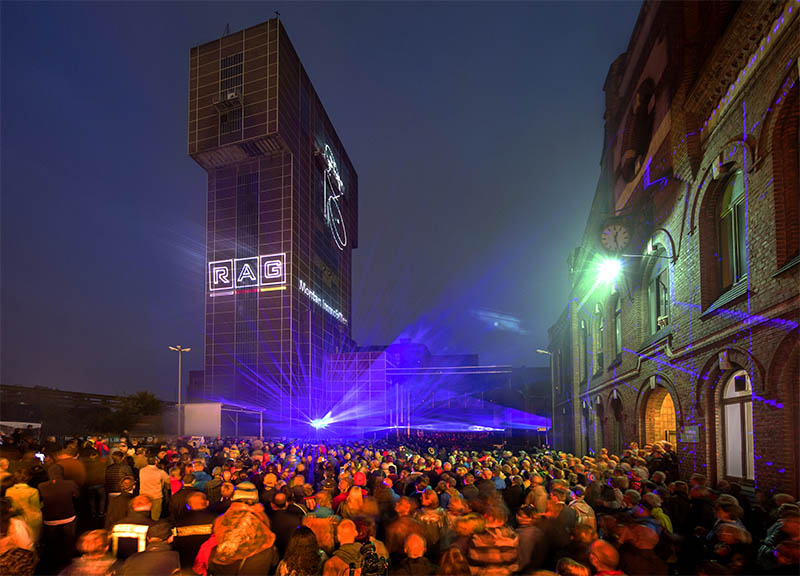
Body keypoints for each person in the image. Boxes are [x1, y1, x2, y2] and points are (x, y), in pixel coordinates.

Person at [38, 464, 80, 574]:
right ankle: (69, 562)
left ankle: (54, 563)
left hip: (50, 519)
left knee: (53, 542)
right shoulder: (70, 483)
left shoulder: (41, 486)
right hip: (68, 517)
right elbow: (77, 495)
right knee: (69, 540)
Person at [466, 505, 518, 576]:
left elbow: (472, 560)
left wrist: (482, 572)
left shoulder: (476, 537)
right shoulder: (511, 536)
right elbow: (515, 562)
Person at [173, 491, 215, 568]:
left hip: (187, 564)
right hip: (208, 563)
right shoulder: (216, 520)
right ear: (207, 503)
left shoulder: (179, 521)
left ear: (188, 506)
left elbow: (176, 544)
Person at [4, 470, 42, 542]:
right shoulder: (33, 491)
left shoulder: (8, 490)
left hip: (14, 519)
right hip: (29, 520)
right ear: (28, 478)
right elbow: (36, 508)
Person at [140, 456, 169, 521]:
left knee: (144, 515)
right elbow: (168, 480)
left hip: (144, 495)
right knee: (155, 516)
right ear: (156, 462)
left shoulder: (141, 471)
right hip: (156, 496)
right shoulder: (160, 472)